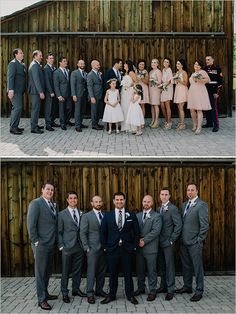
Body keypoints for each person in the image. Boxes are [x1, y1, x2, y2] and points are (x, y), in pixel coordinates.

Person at [100, 192, 140, 305]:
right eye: (117, 200)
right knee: (113, 274)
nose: (119, 201)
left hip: (127, 250)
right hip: (112, 250)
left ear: (124, 200)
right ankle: (111, 295)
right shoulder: (108, 215)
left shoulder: (131, 215)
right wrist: (105, 247)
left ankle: (130, 295)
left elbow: (137, 232)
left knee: (128, 274)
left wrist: (134, 247)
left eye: (121, 199)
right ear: (113, 201)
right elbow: (102, 233)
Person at [27, 182, 58, 311]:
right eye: (48, 189)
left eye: (52, 190)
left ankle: (45, 293)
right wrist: (36, 241)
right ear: (42, 190)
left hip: (51, 244)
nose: (50, 191)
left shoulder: (52, 204)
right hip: (41, 245)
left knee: (47, 271)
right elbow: (31, 224)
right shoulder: (36, 203)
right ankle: (41, 300)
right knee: (40, 273)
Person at [175, 184, 209, 302]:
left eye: (192, 190)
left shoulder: (201, 205)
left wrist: (199, 240)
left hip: (195, 242)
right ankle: (187, 286)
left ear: (197, 191)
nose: (190, 192)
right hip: (184, 242)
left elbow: (204, 225)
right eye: (188, 190)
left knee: (197, 267)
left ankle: (199, 291)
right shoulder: (184, 205)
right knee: (186, 266)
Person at [58, 191, 86, 303]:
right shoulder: (61, 214)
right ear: (67, 200)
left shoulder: (82, 213)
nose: (73, 200)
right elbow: (59, 232)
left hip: (79, 246)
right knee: (65, 271)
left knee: (77, 270)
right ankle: (64, 292)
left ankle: (76, 289)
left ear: (77, 200)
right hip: (67, 247)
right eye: (71, 198)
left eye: (75, 198)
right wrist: (61, 246)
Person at [80, 195, 108, 304]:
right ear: (92, 203)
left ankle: (99, 290)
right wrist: (86, 248)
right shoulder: (86, 216)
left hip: (104, 249)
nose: (98, 203)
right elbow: (82, 233)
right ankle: (90, 293)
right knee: (91, 271)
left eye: (100, 201)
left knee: (102, 271)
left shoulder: (105, 215)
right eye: (96, 202)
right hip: (92, 249)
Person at [134, 195, 162, 302]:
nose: (146, 203)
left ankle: (152, 291)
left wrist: (143, 241)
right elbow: (134, 230)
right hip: (139, 249)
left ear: (152, 203)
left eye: (148, 202)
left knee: (151, 271)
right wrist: (136, 241)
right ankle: (141, 288)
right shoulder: (138, 215)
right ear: (142, 202)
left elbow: (155, 231)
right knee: (140, 270)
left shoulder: (157, 216)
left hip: (150, 248)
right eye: (144, 201)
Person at [157, 187, 182, 301]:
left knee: (169, 266)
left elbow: (178, 225)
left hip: (168, 243)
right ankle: (163, 286)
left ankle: (170, 290)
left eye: (166, 194)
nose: (164, 196)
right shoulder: (158, 209)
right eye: (162, 194)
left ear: (169, 196)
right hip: (159, 242)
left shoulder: (173, 209)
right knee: (161, 266)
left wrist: (172, 239)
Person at [187, 60, 211, 135]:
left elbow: (208, 80)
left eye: (198, 65)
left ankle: (199, 127)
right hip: (192, 92)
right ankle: (195, 124)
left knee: (199, 109)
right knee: (192, 109)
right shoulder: (193, 73)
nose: (196, 66)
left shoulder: (202, 72)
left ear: (200, 66)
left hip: (200, 91)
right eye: (195, 64)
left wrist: (200, 79)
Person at [7, 48, 26, 135]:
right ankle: (13, 128)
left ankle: (14, 126)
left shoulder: (21, 64)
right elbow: (10, 77)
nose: (23, 54)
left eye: (22, 53)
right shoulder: (13, 64)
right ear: (16, 54)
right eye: (21, 53)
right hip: (15, 91)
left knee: (17, 108)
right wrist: (10, 90)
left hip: (20, 90)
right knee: (17, 108)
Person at [203, 55, 223, 132]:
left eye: (208, 59)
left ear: (212, 60)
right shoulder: (204, 69)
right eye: (206, 60)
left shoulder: (217, 69)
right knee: (207, 108)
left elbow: (220, 82)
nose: (207, 61)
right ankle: (209, 123)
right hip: (205, 91)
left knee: (214, 109)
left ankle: (216, 125)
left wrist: (217, 92)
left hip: (213, 91)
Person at [53, 57, 74, 131]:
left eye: (66, 61)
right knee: (61, 110)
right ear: (60, 62)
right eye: (64, 61)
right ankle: (62, 124)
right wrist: (58, 95)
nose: (66, 62)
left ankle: (66, 121)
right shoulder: (56, 72)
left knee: (69, 108)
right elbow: (56, 85)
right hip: (61, 94)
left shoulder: (68, 71)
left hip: (68, 94)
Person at [28, 50, 45, 134]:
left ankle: (35, 124)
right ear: (35, 56)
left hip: (36, 91)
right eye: (40, 55)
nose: (41, 57)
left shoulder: (36, 64)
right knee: (35, 109)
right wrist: (40, 92)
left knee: (36, 109)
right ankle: (34, 128)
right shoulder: (34, 65)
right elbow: (36, 80)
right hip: (35, 91)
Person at [70, 59, 88, 132]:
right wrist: (73, 95)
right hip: (77, 94)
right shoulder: (74, 73)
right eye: (80, 64)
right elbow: (72, 85)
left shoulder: (86, 73)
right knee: (77, 110)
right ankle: (77, 126)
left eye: (83, 64)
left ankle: (80, 123)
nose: (82, 65)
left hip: (84, 94)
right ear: (77, 64)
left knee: (82, 110)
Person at [120, 60, 138, 132]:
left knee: (128, 108)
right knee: (124, 108)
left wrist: (130, 85)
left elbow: (136, 82)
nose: (124, 65)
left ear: (128, 65)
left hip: (129, 92)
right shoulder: (125, 73)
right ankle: (125, 126)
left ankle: (131, 126)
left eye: (125, 64)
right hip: (124, 92)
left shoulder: (131, 72)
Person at [44, 53, 59, 131]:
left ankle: (52, 121)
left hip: (54, 91)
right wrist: (50, 91)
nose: (52, 59)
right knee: (48, 108)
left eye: (52, 58)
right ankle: (48, 124)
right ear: (47, 59)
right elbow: (47, 81)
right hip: (49, 92)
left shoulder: (54, 68)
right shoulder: (46, 68)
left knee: (53, 107)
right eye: (50, 58)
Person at [87, 60, 104, 130]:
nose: (99, 66)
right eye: (98, 65)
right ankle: (94, 125)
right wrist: (92, 97)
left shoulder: (98, 73)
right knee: (94, 111)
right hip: (94, 96)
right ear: (93, 66)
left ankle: (97, 123)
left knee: (98, 110)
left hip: (99, 95)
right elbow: (89, 86)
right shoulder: (90, 75)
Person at [173, 59, 188, 130]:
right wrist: (175, 80)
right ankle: (180, 122)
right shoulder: (177, 72)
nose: (177, 65)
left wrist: (178, 80)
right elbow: (176, 82)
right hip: (178, 89)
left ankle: (182, 124)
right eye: (177, 64)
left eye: (178, 64)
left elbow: (186, 83)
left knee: (181, 107)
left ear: (182, 65)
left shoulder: (184, 72)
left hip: (182, 90)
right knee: (179, 107)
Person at [160, 58, 173, 129]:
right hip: (163, 88)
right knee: (162, 105)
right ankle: (166, 120)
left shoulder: (169, 70)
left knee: (167, 105)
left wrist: (164, 86)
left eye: (167, 62)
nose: (165, 63)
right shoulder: (163, 70)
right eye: (164, 62)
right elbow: (162, 80)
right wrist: (161, 86)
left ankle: (169, 122)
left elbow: (170, 80)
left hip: (168, 88)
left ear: (169, 64)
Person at [148, 58, 162, 128]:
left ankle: (156, 121)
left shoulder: (158, 71)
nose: (153, 64)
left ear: (157, 64)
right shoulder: (150, 72)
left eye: (155, 62)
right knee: (152, 105)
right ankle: (153, 120)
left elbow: (159, 82)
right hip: (151, 89)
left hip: (156, 90)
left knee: (156, 105)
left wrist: (154, 81)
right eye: (152, 62)